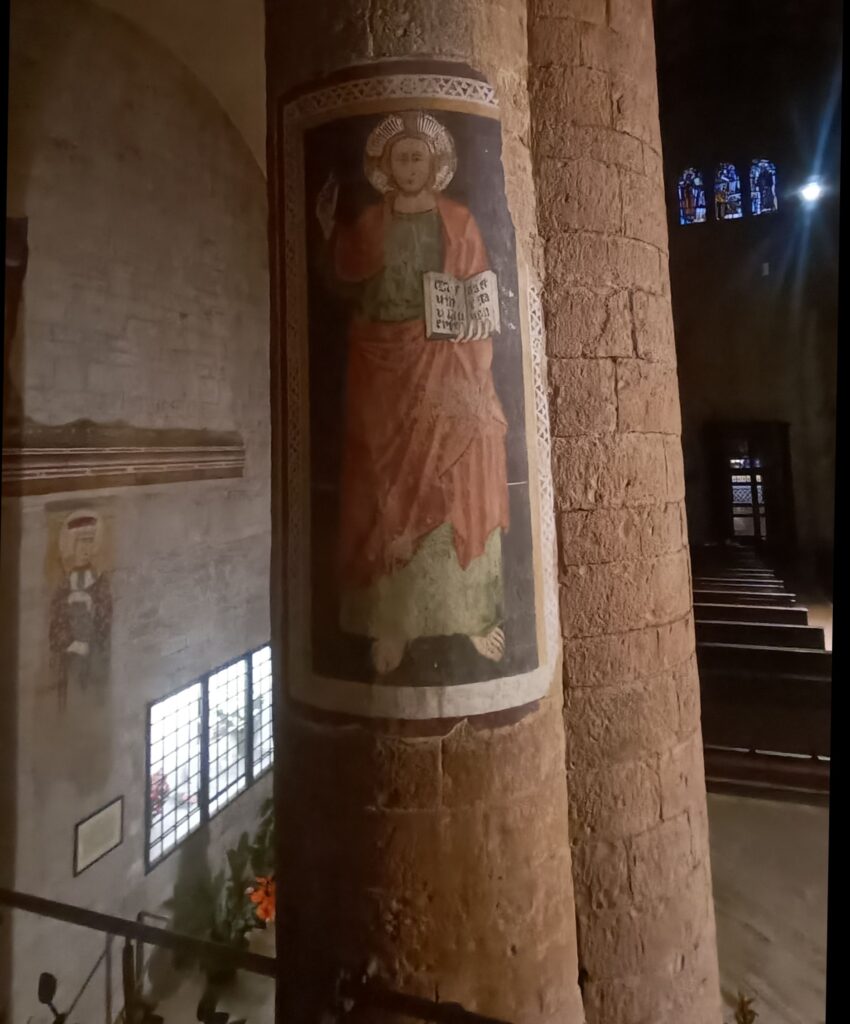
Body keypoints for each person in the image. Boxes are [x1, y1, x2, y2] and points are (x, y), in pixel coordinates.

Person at [315, 110, 510, 675]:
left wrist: (473, 322)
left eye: (418, 157)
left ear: (435, 165)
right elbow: (338, 280)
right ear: (385, 167)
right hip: (382, 362)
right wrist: (326, 229)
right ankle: (391, 619)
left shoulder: (459, 220)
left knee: (472, 454)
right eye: (399, 157)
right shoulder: (371, 224)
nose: (409, 166)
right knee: (382, 478)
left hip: (447, 356)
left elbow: (479, 291)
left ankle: (472, 612)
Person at [49, 511, 112, 704]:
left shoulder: (100, 580)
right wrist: (69, 642)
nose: (87, 548)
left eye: (91, 541)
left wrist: (92, 604)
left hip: (92, 658)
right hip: (67, 658)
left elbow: (106, 616)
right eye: (82, 542)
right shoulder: (64, 584)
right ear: (70, 545)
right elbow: (55, 620)